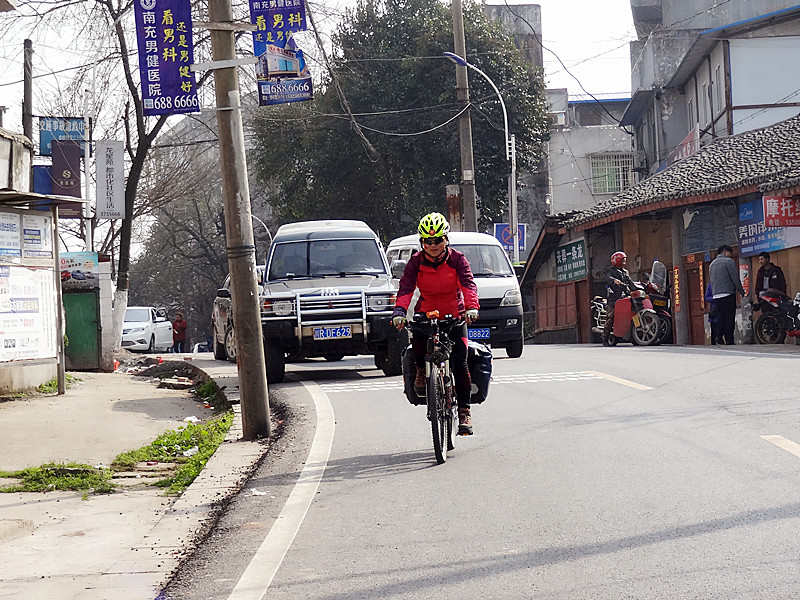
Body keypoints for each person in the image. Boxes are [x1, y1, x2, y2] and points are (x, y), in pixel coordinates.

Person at [391, 213, 479, 435]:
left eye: (437, 240)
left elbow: (468, 284)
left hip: (455, 314)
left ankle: (464, 411)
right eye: (427, 242)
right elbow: (406, 289)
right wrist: (400, 312)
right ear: (422, 243)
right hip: (426, 313)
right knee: (418, 344)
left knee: (460, 361)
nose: (432, 245)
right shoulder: (415, 262)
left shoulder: (458, 260)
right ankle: (422, 371)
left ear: (446, 239)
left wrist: (471, 308)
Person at [708, 244, 745, 345]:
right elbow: (734, 277)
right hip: (728, 294)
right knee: (729, 317)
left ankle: (718, 336)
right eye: (730, 253)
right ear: (725, 252)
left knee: (720, 317)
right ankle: (729, 339)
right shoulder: (728, 262)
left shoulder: (712, 265)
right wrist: (741, 290)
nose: (730, 255)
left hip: (716, 295)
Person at [603, 251, 634, 338]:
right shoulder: (610, 271)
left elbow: (630, 282)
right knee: (611, 317)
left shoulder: (625, 272)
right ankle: (605, 336)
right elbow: (607, 277)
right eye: (622, 260)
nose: (624, 262)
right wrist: (614, 280)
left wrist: (640, 287)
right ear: (617, 261)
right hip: (613, 298)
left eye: (625, 260)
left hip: (624, 297)